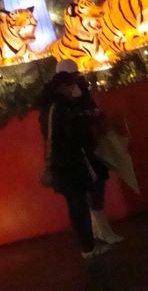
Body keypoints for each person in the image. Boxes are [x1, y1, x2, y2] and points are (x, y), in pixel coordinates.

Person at [39, 60, 123, 259]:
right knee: (79, 205)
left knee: (79, 203)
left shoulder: (52, 106)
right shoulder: (61, 107)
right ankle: (89, 246)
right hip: (71, 162)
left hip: (68, 162)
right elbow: (70, 134)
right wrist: (86, 120)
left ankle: (92, 241)